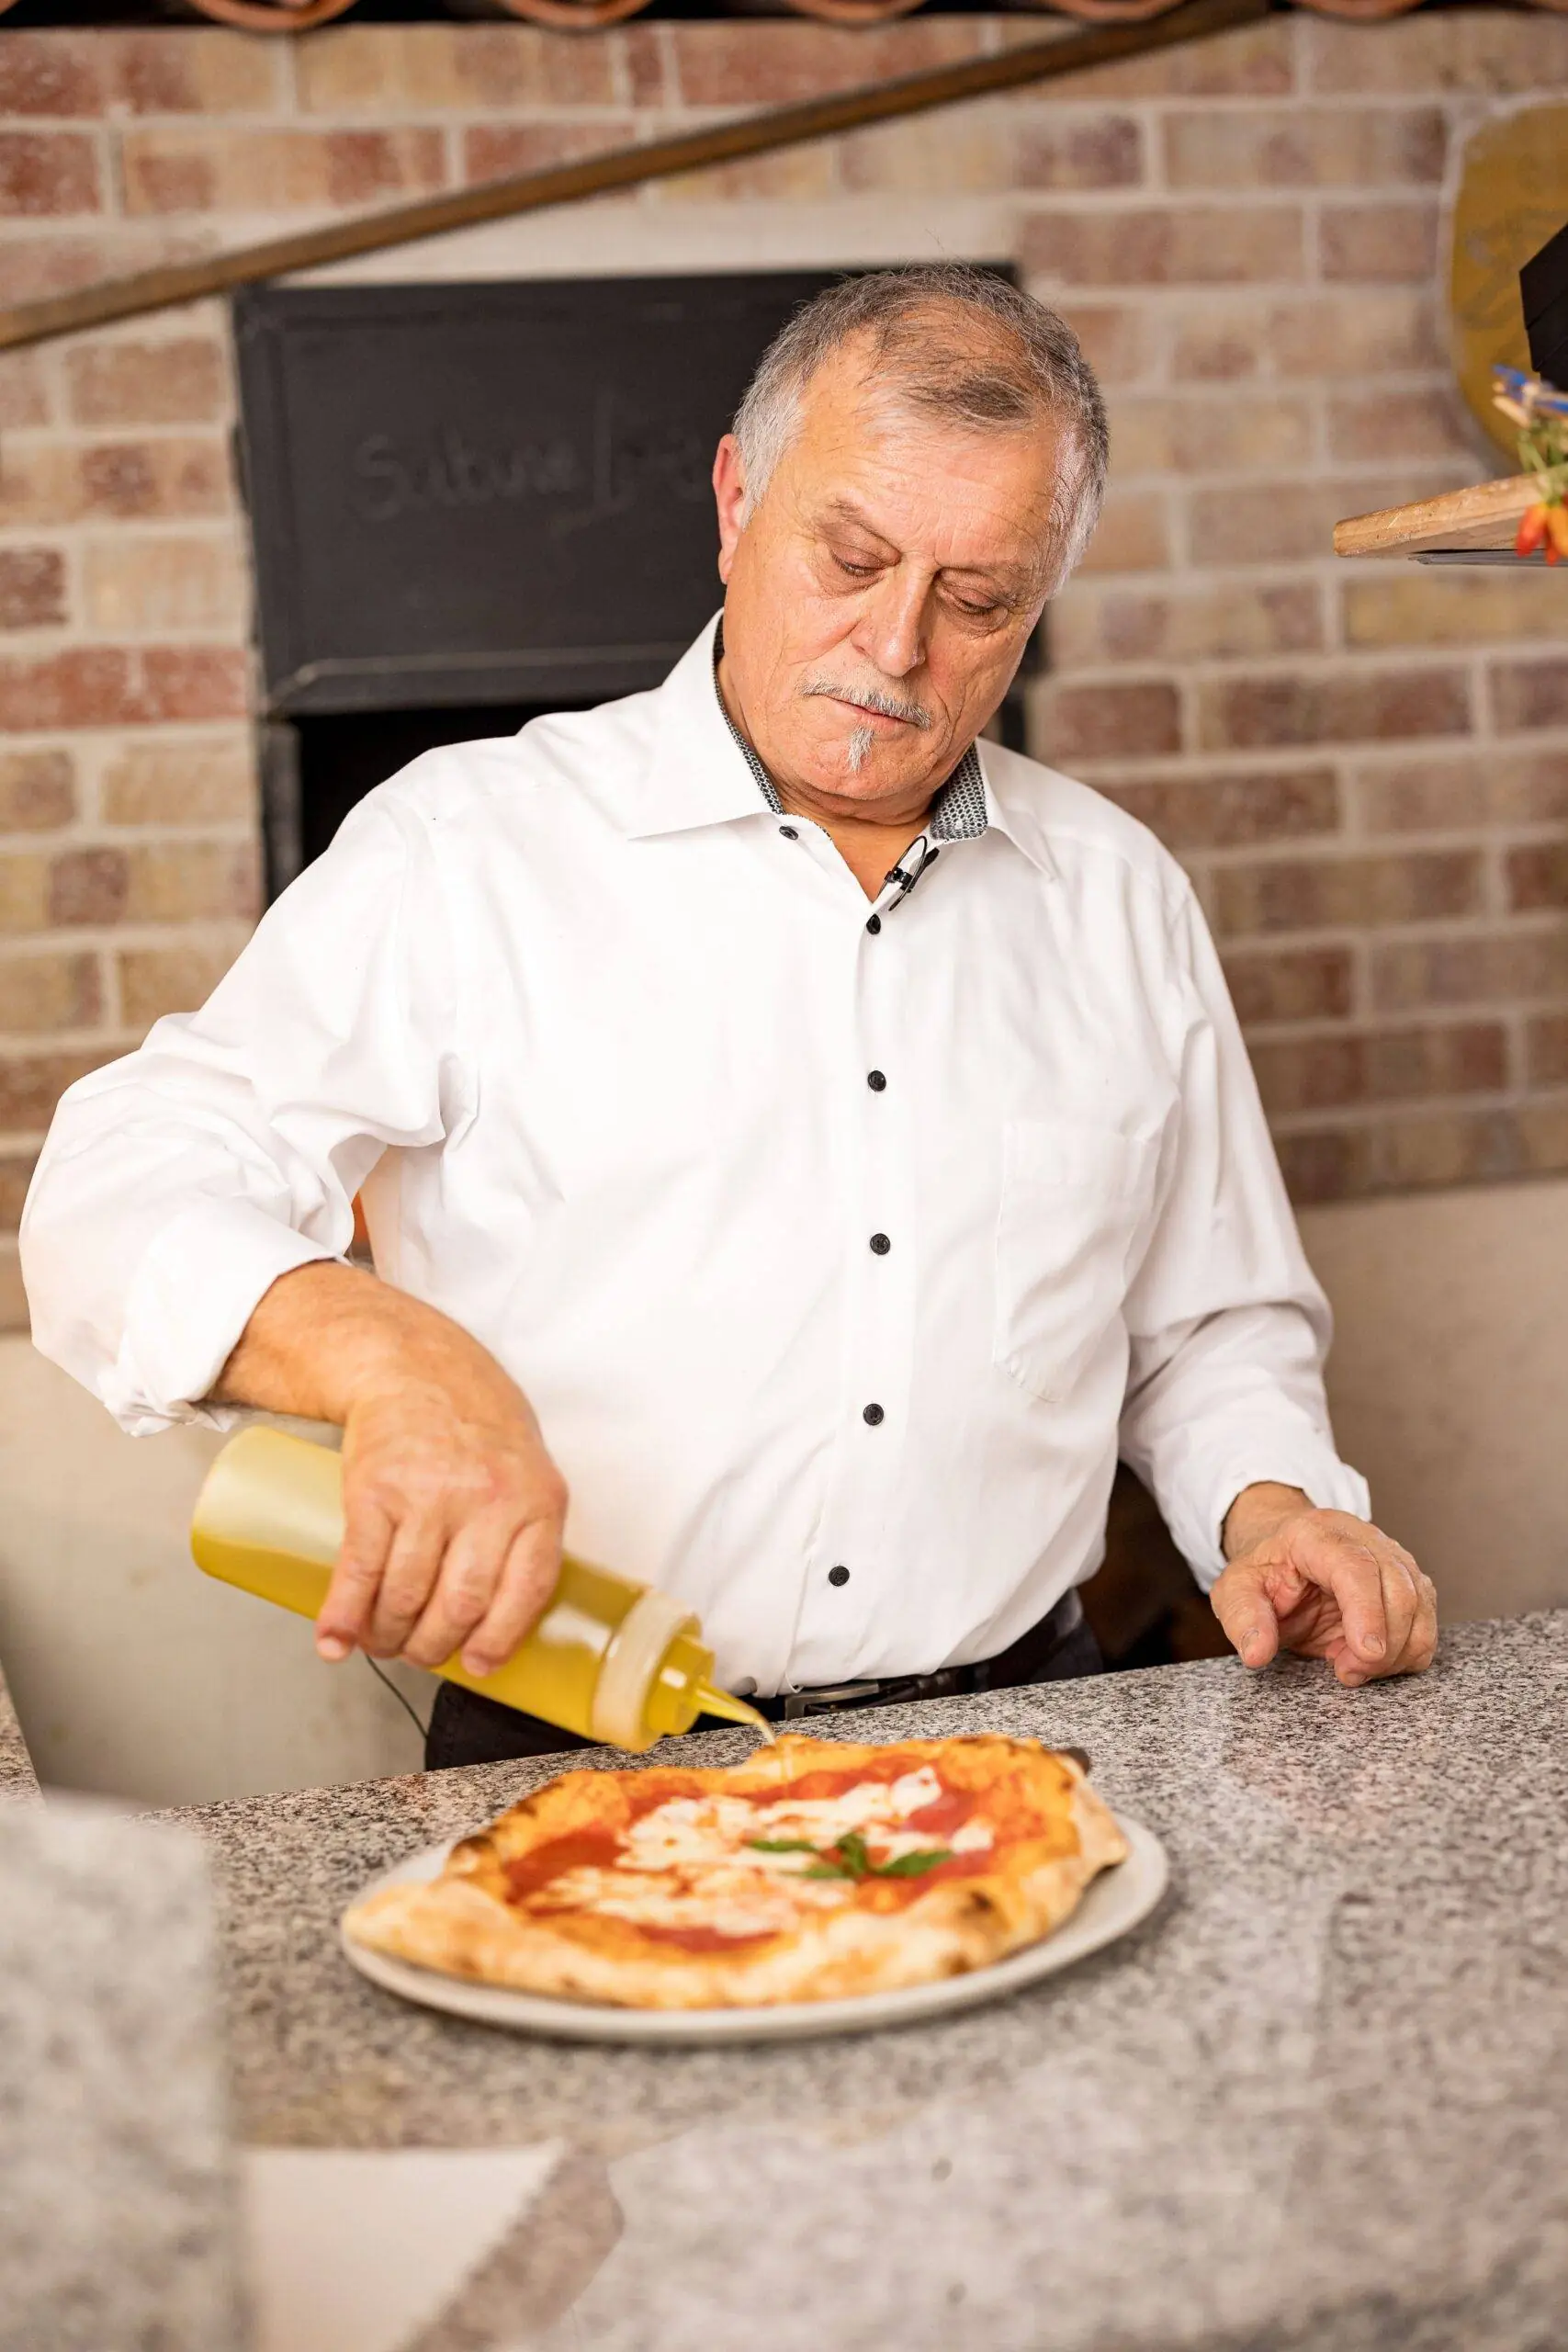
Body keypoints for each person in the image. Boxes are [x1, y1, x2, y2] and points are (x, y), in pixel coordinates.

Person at [21, 267, 1436, 1770]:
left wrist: (1277, 1503)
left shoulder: (1119, 896)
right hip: (571, 1743)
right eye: (851, 555)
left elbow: (1210, 1322)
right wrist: (388, 1362)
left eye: (975, 600)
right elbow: (118, 1186)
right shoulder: (466, 846)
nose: (896, 647)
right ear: (735, 499)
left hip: (1025, 1739)